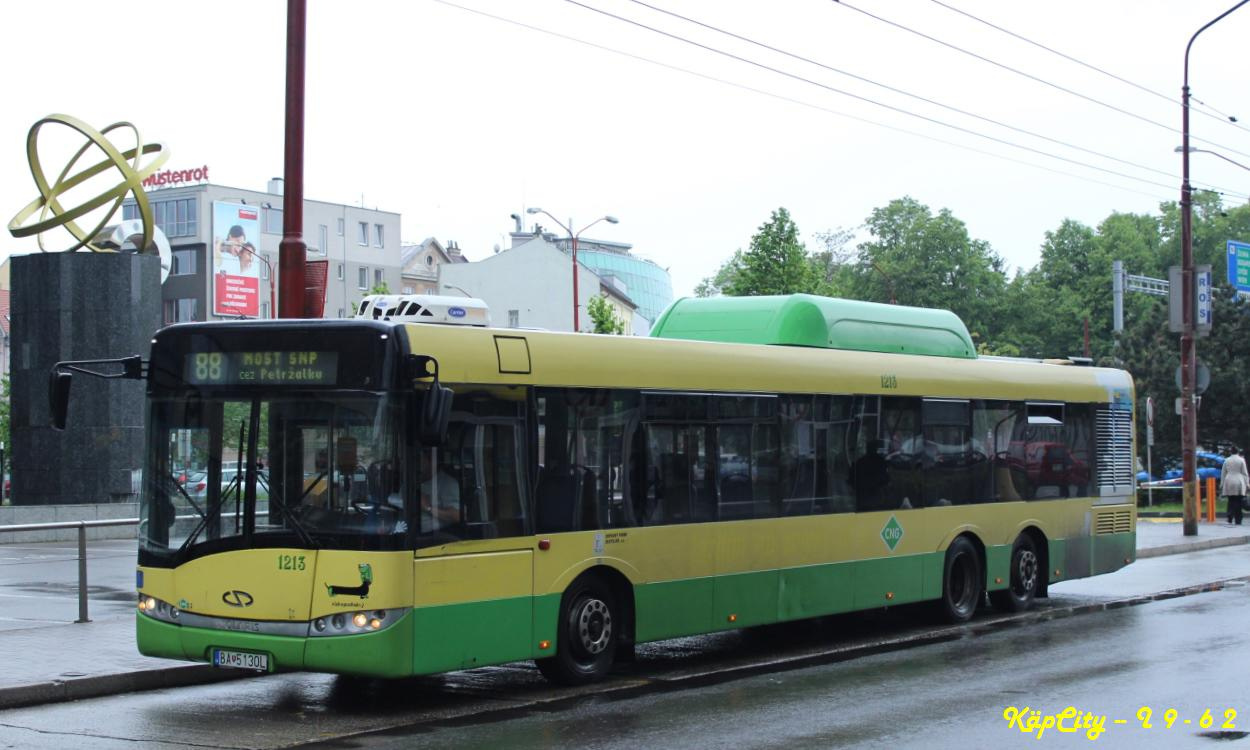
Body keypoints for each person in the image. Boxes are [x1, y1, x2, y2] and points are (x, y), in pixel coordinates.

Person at [420, 450, 461, 528]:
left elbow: (457, 516)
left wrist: (428, 507)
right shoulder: (409, 480)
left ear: (431, 462)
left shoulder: (448, 483)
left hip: (438, 536)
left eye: (419, 460)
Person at [849, 439, 890, 511]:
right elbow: (885, 479)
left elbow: (852, 479)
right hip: (876, 497)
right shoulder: (881, 461)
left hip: (862, 497)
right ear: (875, 449)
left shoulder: (860, 462)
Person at [1221, 447, 1248, 525]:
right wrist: (1247, 484)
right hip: (1239, 481)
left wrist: (1222, 484)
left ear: (1231, 452)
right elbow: (1245, 473)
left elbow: (1223, 473)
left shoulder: (1227, 460)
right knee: (1238, 501)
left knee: (1231, 500)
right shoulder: (1241, 460)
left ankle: (1229, 516)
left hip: (1229, 480)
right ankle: (1238, 519)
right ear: (1238, 452)